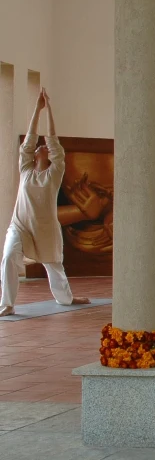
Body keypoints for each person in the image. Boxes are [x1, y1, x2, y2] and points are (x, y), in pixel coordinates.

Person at [1, 90, 89, 315]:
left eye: (44, 148)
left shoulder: (55, 173)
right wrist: (36, 111)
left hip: (46, 229)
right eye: (37, 147)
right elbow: (29, 140)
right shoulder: (26, 170)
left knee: (55, 267)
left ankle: (66, 299)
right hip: (20, 226)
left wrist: (48, 109)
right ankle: (7, 304)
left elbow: (52, 139)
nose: (40, 146)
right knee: (10, 256)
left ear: (49, 155)